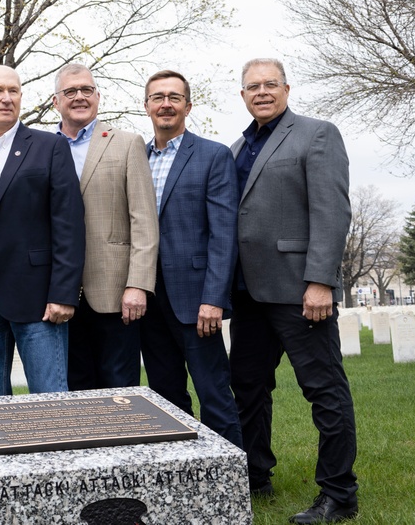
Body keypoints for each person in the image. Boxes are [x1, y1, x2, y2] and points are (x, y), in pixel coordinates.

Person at [229, 58, 357, 524]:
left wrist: (321, 281)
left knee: (324, 391)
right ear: (242, 95)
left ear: (286, 88)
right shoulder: (238, 145)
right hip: (248, 294)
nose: (261, 92)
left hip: (300, 291)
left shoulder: (316, 133)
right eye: (252, 86)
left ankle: (339, 494)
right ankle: (254, 475)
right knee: (247, 388)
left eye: (270, 84)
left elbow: (331, 212)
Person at [0, 64, 85, 396]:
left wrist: (63, 293)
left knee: (50, 398)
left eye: (13, 91)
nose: (6, 98)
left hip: (37, 292)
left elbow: (68, 223)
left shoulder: (48, 147)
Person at [138, 70, 243, 447]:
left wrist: (213, 299)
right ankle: (181, 474)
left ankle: (234, 480)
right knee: (165, 397)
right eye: (158, 97)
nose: (166, 104)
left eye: (174, 97)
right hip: (148, 299)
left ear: (187, 105)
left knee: (213, 393)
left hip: (196, 298)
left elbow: (223, 233)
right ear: (146, 105)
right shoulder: (137, 156)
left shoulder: (213, 156)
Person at [51, 62, 158, 389]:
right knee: (74, 388)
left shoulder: (127, 143)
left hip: (115, 293)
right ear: (56, 101)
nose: (79, 97)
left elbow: (144, 220)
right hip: (59, 293)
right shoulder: (41, 149)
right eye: (70, 91)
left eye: (87, 90)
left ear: (98, 96)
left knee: (119, 390)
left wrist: (138, 285)